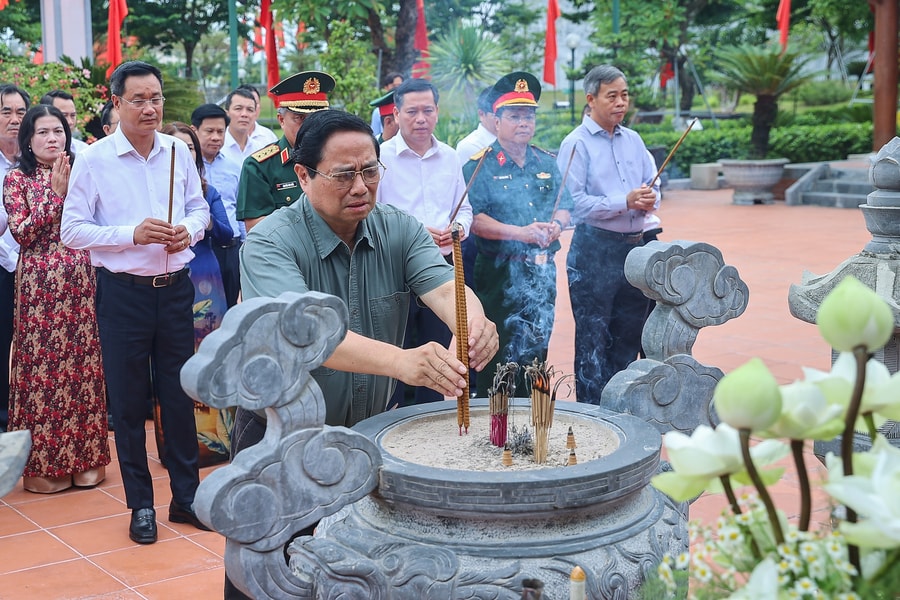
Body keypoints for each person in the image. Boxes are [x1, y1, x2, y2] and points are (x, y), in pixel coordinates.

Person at [228, 109, 498, 600]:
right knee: (270, 574)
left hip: (365, 434)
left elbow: (448, 291)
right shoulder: (270, 242)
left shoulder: (398, 228)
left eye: (371, 170)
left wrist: (472, 328)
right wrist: (406, 363)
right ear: (304, 175)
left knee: (354, 572)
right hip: (280, 439)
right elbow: (311, 336)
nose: (361, 187)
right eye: (344, 174)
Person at [60, 60, 211, 544]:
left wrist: (188, 229)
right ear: (117, 102)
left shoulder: (175, 152)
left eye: (157, 98)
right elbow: (72, 230)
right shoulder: (95, 159)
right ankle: (141, 505)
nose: (150, 108)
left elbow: (199, 208)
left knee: (179, 396)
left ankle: (186, 498)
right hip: (122, 295)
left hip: (175, 289)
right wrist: (132, 234)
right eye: (139, 100)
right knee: (127, 403)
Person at [3, 104, 110, 493]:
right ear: (28, 141)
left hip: (81, 280)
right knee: (44, 373)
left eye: (59, 131)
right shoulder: (16, 181)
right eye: (44, 132)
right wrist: (54, 195)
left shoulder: (84, 171)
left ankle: (87, 459)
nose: (53, 138)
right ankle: (45, 465)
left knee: (82, 368)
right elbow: (23, 233)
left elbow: (97, 222)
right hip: (38, 288)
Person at [464, 72, 573, 397]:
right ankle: (493, 426)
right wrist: (521, 233)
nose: (523, 122)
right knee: (495, 352)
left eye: (528, 115)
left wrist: (557, 224)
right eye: (514, 115)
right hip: (499, 273)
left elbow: (564, 206)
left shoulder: (546, 161)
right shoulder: (481, 165)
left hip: (541, 269)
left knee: (537, 349)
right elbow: (475, 220)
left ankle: (532, 423)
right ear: (496, 121)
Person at [557, 65, 659, 404]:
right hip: (594, 250)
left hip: (635, 250)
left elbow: (652, 180)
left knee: (629, 334)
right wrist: (624, 201)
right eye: (611, 96)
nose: (621, 102)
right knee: (593, 339)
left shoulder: (634, 140)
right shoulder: (575, 144)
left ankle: (619, 410)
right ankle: (591, 416)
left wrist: (649, 196)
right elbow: (575, 205)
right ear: (591, 99)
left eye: (625, 95)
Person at [376, 78, 472, 406]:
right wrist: (414, 232)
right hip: (394, 270)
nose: (421, 119)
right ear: (396, 113)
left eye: (427, 111)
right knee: (397, 354)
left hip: (439, 270)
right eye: (412, 111)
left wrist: (457, 227)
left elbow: (466, 208)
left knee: (436, 352)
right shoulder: (380, 157)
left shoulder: (449, 156)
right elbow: (371, 214)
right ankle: (391, 426)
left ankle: (429, 422)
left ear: (437, 112)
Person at [236, 71, 334, 232]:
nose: (310, 126)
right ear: (281, 120)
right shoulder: (259, 166)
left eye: (317, 116)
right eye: (300, 118)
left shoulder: (338, 158)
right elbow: (256, 227)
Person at [191, 103, 243, 307]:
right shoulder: (186, 167)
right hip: (200, 249)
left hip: (230, 248)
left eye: (220, 132)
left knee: (230, 308)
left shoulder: (234, 167)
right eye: (209, 131)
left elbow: (240, 209)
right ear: (194, 130)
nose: (216, 137)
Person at [0, 83, 30, 432]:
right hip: (6, 265)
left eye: (20, 112)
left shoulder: (34, 160)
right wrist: (13, 258)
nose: (13, 119)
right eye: (6, 111)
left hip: (38, 269)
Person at [221, 85, 278, 166]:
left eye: (250, 110)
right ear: (227, 113)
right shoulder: (218, 147)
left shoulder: (262, 149)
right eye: (238, 108)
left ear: (255, 113)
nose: (244, 114)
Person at [456, 86, 498, 162]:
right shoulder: (469, 146)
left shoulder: (515, 142)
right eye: (496, 115)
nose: (502, 119)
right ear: (481, 114)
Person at [369, 71, 403, 137]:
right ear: (386, 87)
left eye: (400, 85)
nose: (397, 88)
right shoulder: (377, 112)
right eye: (394, 86)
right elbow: (375, 133)